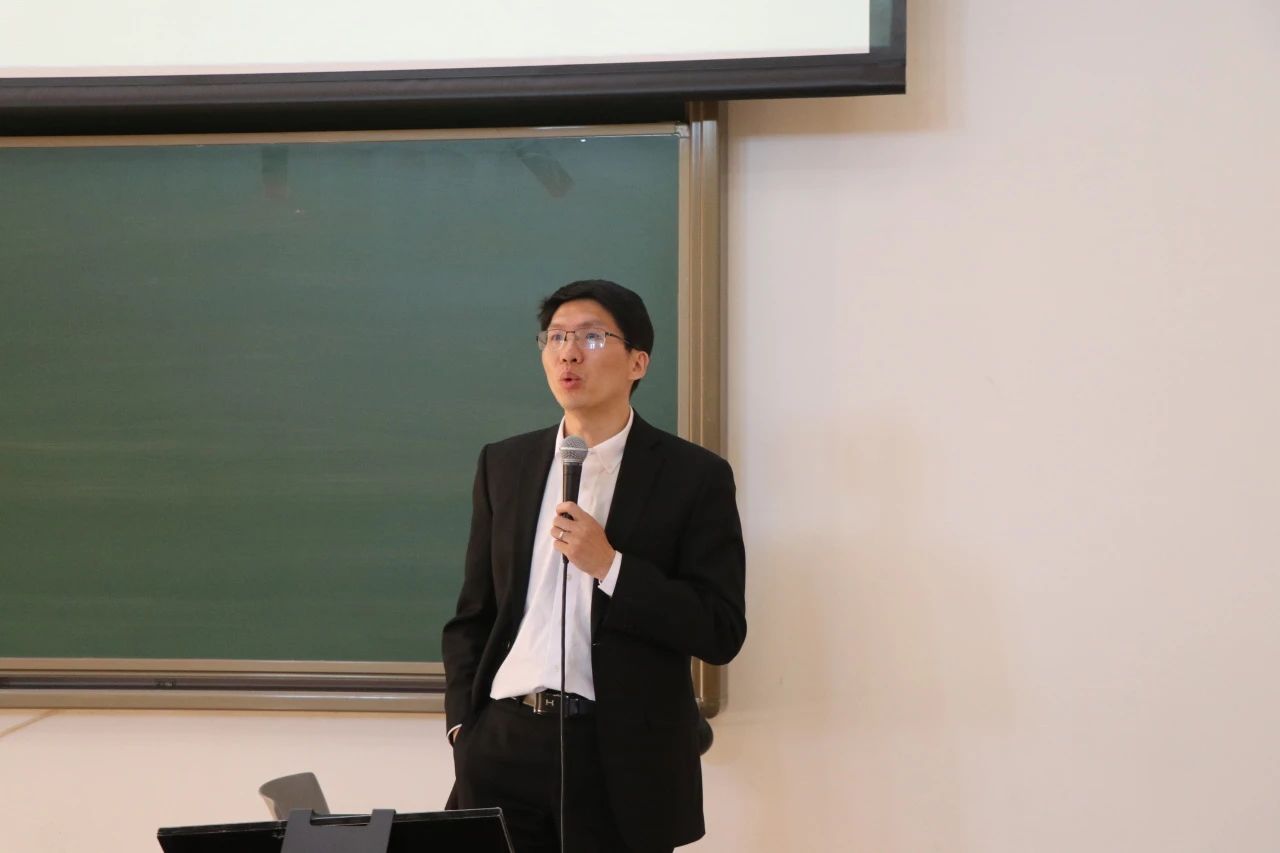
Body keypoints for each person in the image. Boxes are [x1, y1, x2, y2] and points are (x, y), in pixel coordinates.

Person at [442, 279, 747, 853]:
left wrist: (611, 567)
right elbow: (473, 615)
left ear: (638, 362)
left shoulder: (693, 477)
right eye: (555, 337)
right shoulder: (504, 464)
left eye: (591, 337)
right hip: (502, 745)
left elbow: (720, 629)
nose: (568, 353)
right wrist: (464, 726)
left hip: (619, 759)